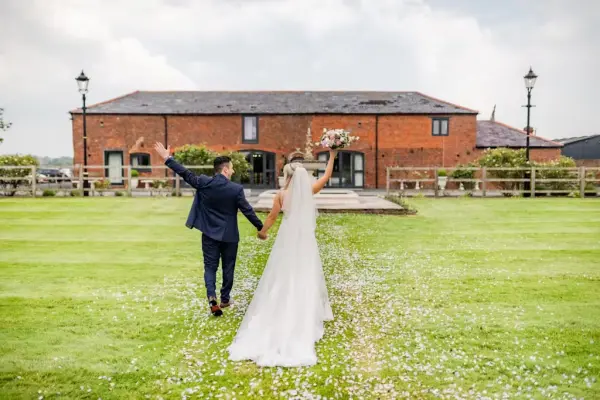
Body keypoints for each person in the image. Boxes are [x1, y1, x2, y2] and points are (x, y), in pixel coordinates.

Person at [228, 149, 338, 367]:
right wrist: (332, 156)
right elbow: (325, 177)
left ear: (286, 176)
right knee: (305, 270)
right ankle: (304, 308)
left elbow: (271, 217)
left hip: (287, 236)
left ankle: (282, 303)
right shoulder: (308, 190)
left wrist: (263, 232)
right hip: (304, 238)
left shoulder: (280, 195)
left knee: (283, 271)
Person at [154, 142, 265, 317]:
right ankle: (225, 299)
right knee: (228, 267)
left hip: (209, 234)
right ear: (225, 170)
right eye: (232, 168)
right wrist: (261, 227)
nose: (233, 171)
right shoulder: (236, 189)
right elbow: (247, 210)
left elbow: (185, 173)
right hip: (229, 236)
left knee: (210, 267)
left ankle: (211, 296)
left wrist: (168, 159)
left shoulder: (204, 183)